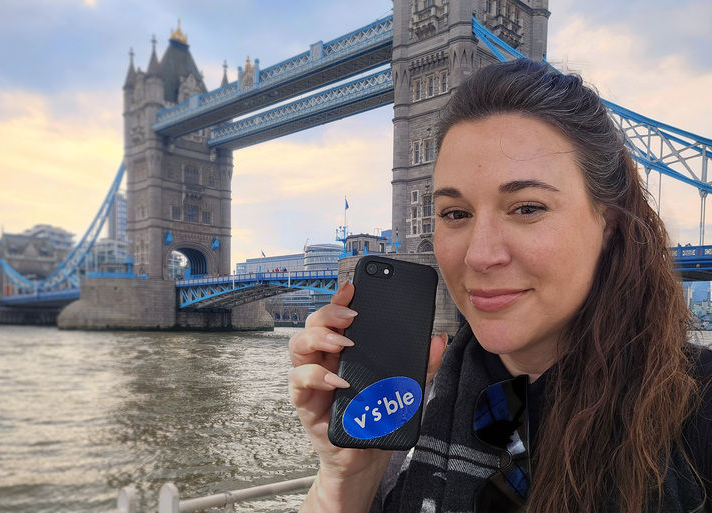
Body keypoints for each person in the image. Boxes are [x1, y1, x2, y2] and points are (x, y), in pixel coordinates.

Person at [288, 59, 712, 513]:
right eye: (455, 214)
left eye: (527, 208)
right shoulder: (406, 408)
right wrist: (348, 474)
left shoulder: (700, 411)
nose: (479, 255)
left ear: (607, 225)